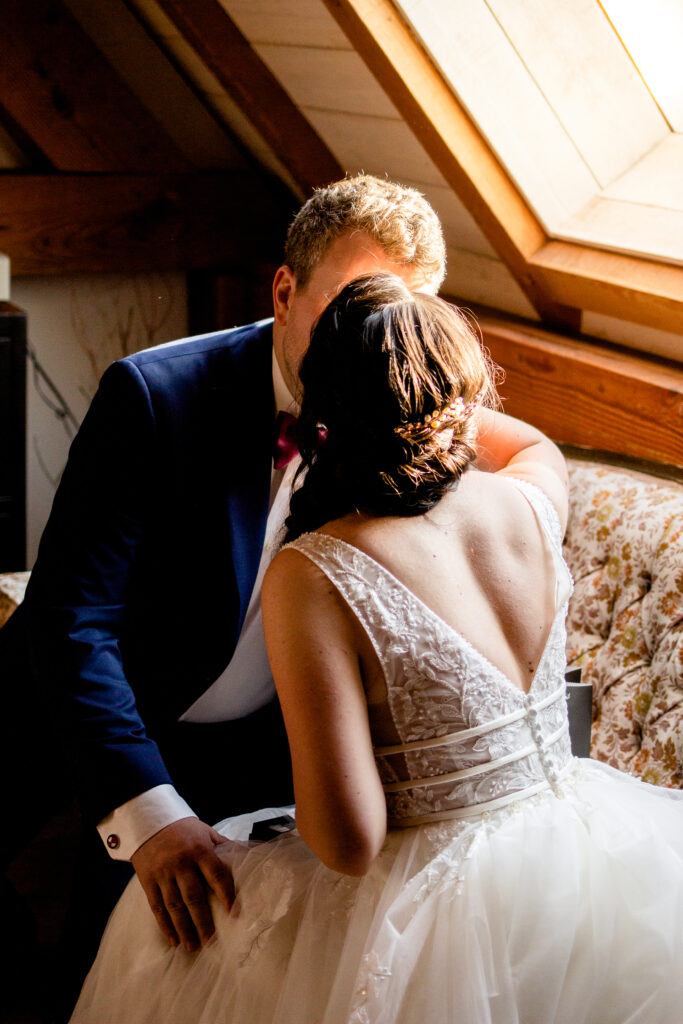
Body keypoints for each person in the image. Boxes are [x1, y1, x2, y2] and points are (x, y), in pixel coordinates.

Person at [70, 275, 683, 1024]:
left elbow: (349, 842)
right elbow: (530, 444)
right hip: (580, 857)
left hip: (439, 901)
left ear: (323, 409)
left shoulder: (316, 571)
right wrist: (436, 395)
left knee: (158, 938)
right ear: (462, 392)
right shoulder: (532, 500)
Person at [0, 176, 446, 1015]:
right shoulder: (154, 395)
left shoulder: (400, 411)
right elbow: (71, 621)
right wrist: (151, 813)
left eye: (399, 320)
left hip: (249, 752)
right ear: (284, 290)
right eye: (349, 309)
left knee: (117, 968)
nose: (372, 347)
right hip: (85, 708)